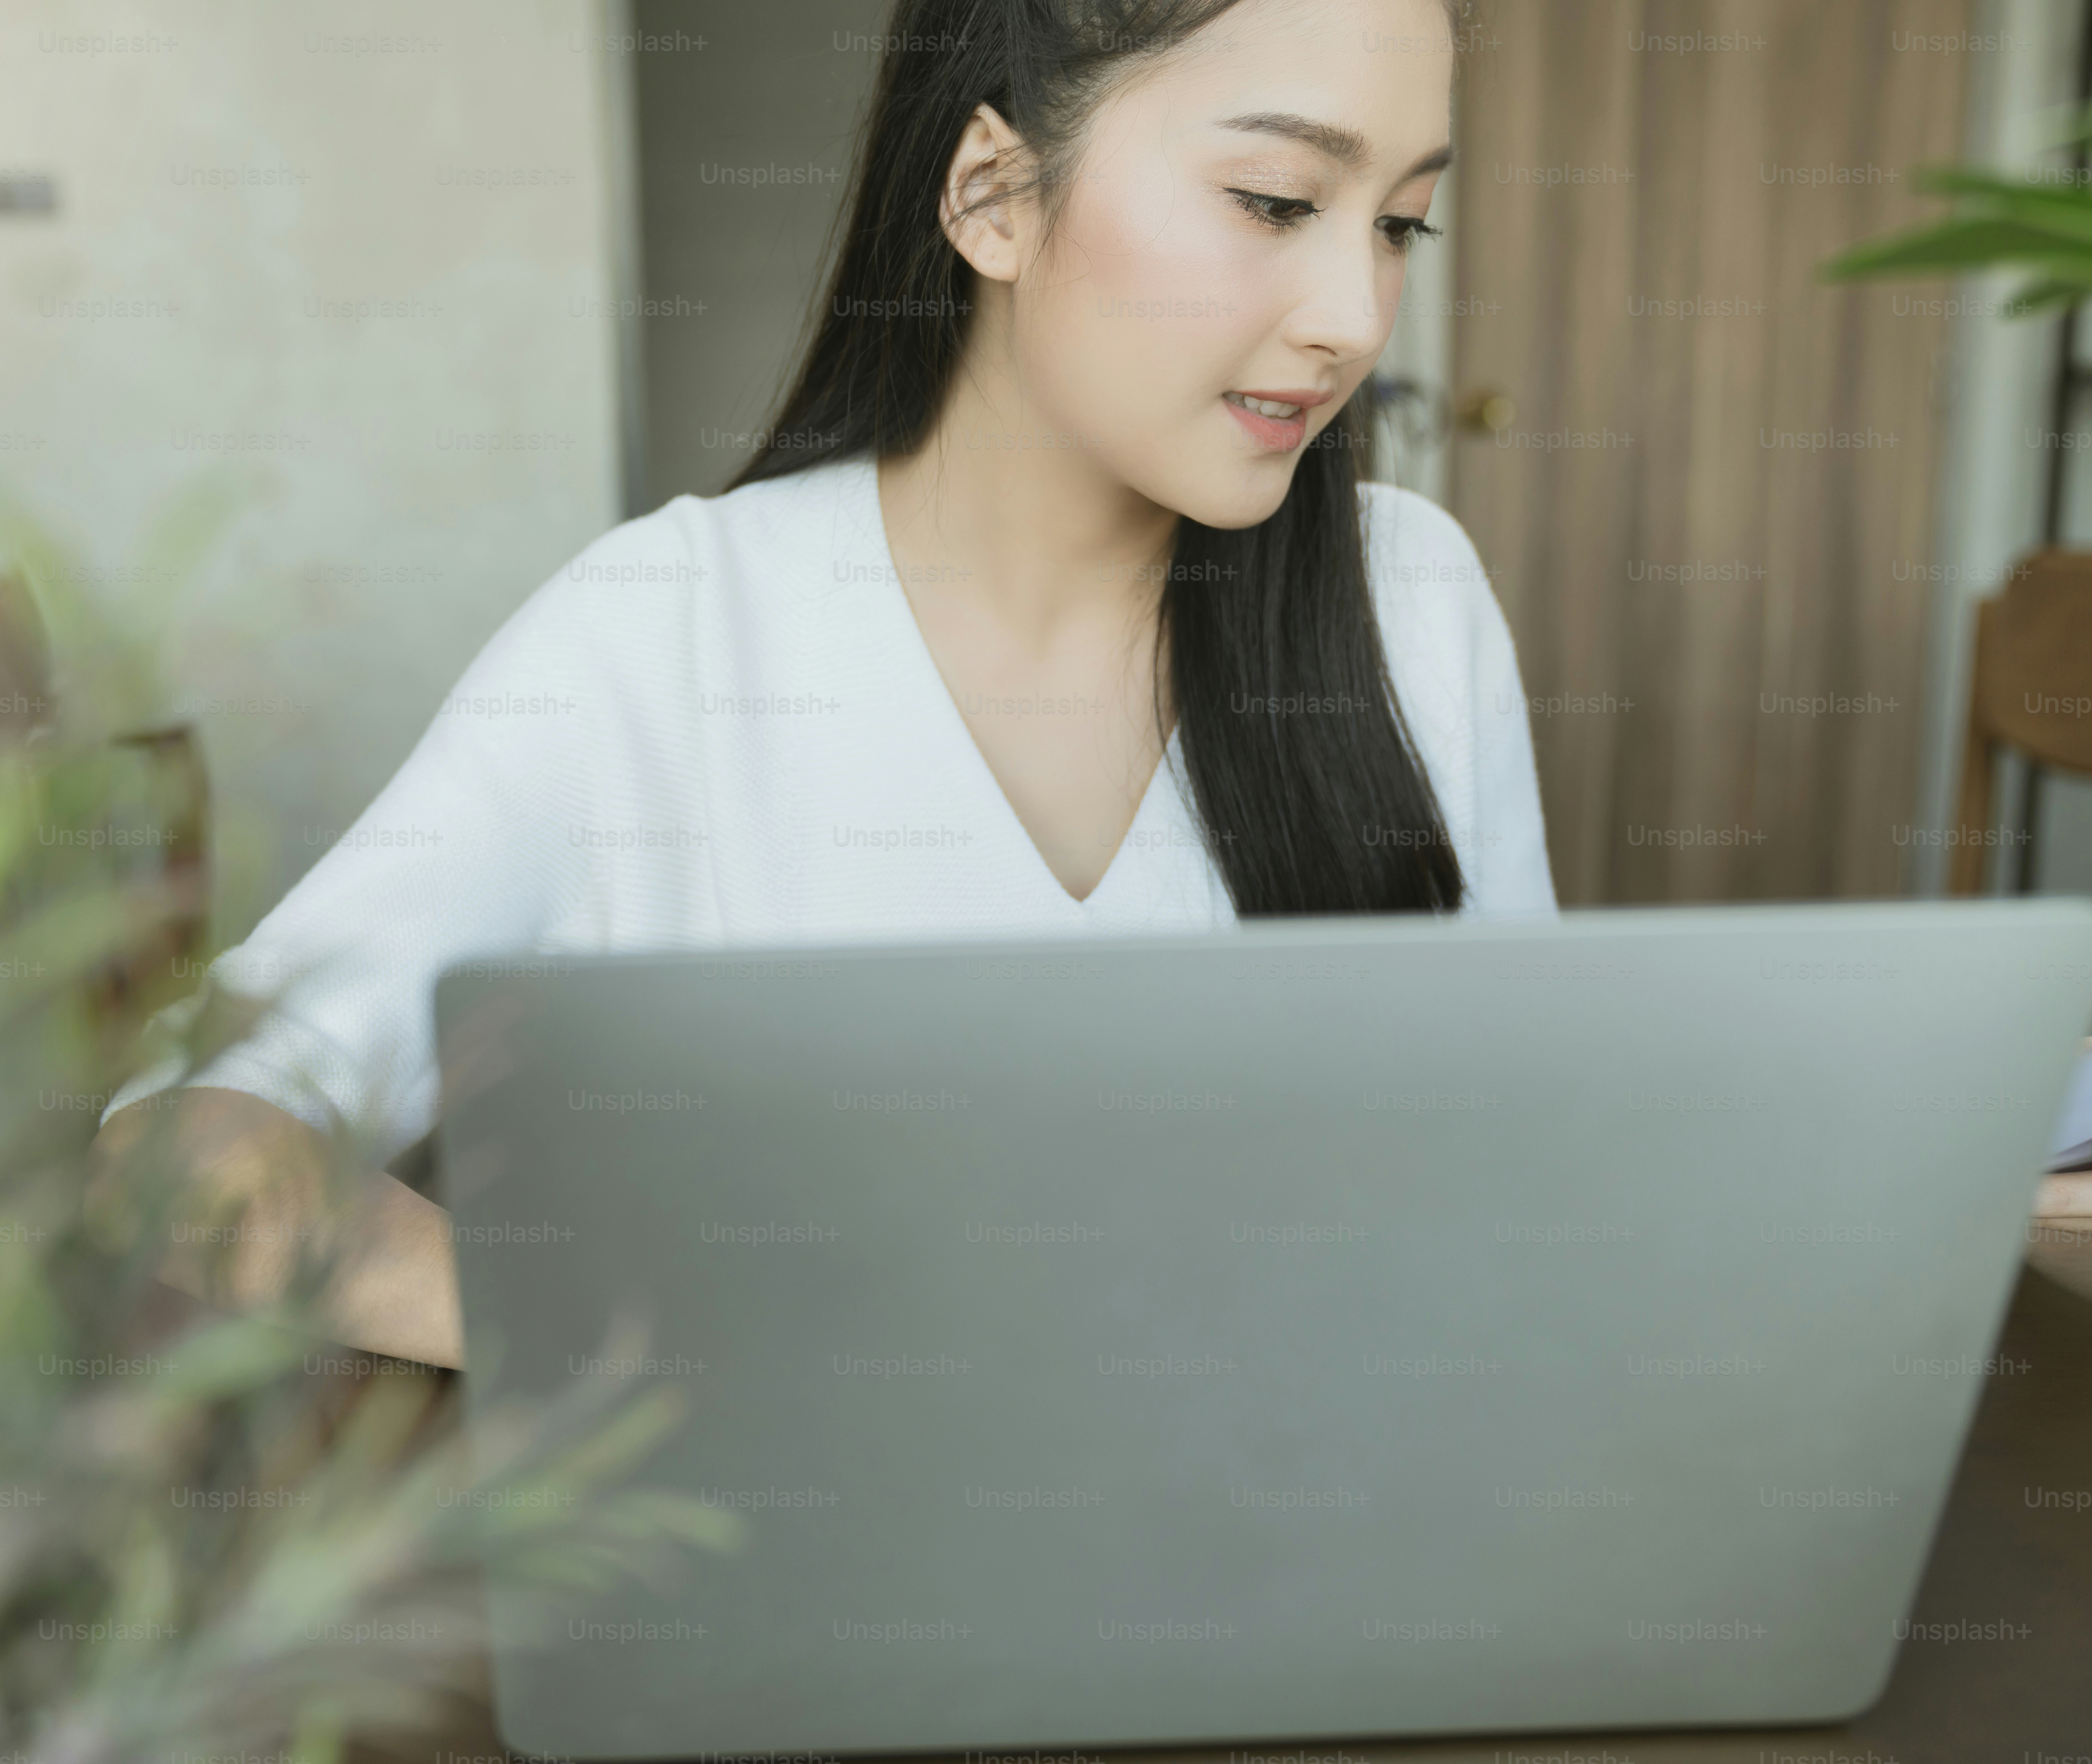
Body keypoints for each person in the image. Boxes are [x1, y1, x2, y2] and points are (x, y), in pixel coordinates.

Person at [92, 0, 1546, 1370]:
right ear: (990, 194)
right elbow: (195, 1141)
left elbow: (1526, 1146)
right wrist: (636, 1338)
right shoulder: (665, 638)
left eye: (1402, 224)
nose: (1356, 315)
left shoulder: (1411, 600)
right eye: (1278, 202)